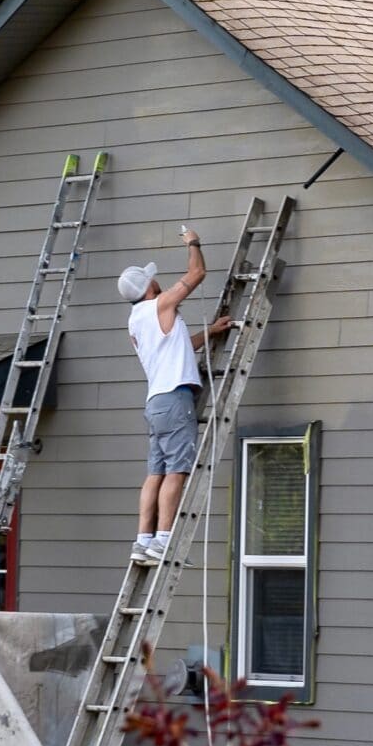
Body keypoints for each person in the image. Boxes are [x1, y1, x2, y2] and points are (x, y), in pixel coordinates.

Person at [117, 226, 231, 562]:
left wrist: (209, 333)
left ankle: (143, 541)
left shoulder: (136, 321)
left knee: (156, 471)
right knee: (177, 471)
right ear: (149, 287)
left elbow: (177, 346)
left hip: (156, 403)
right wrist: (194, 241)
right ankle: (163, 540)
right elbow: (197, 273)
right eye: (153, 280)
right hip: (175, 398)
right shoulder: (159, 305)